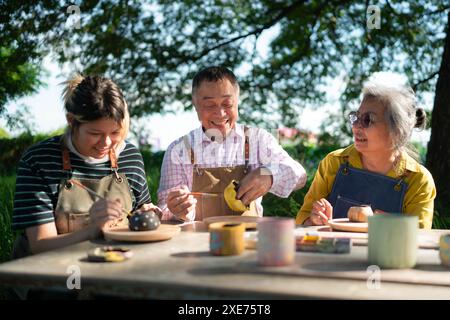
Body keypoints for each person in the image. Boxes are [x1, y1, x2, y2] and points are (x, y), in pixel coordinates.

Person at [12, 74, 161, 257]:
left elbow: (139, 222)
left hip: (114, 268)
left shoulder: (130, 156)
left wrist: (151, 215)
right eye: (95, 133)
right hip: (50, 277)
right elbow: (40, 246)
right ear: (71, 120)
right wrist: (93, 229)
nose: (106, 143)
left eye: (115, 132)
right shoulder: (40, 160)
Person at [158, 66, 307, 221]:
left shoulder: (258, 140)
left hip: (248, 240)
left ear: (237, 102)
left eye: (227, 104)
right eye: (209, 105)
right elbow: (163, 209)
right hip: (197, 242)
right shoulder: (178, 150)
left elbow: (300, 175)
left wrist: (269, 175)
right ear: (195, 106)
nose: (220, 113)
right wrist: (178, 211)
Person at [296, 77, 436, 229]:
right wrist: (313, 220)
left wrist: (376, 221)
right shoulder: (334, 163)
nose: (355, 126)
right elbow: (303, 219)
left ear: (396, 130)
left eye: (368, 119)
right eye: (355, 117)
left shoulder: (419, 180)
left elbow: (418, 237)